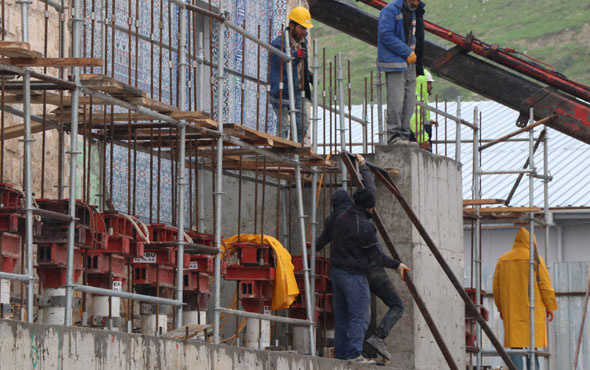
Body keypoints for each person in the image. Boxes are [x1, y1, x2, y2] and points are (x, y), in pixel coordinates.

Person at [315, 155, 407, 362]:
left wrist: (310, 248)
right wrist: (397, 265)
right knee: (361, 315)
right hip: (359, 271)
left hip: (337, 272)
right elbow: (376, 255)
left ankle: (342, 354)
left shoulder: (336, 220)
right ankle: (358, 351)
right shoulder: (362, 225)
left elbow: (321, 242)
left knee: (343, 316)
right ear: (367, 207)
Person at [492, 227, 558, 370]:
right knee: (532, 346)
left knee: (515, 347)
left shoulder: (502, 261)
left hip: (512, 312)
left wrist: (501, 308)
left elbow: (496, 289)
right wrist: (550, 306)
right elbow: (545, 285)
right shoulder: (535, 260)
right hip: (533, 312)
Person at [377, 0, 425, 144]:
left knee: (409, 101)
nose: (416, 2)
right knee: (396, 101)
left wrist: (418, 66)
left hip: (410, 62)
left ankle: (404, 135)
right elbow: (386, 35)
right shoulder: (391, 10)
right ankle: (393, 136)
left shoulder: (415, 11)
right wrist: (406, 52)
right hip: (395, 62)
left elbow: (418, 37)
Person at [269, 6, 313, 143]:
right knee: (284, 127)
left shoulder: (302, 43)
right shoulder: (278, 43)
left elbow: (301, 66)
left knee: (302, 125)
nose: (304, 32)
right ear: (292, 26)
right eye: (302, 28)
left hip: (297, 91)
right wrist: (294, 56)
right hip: (281, 91)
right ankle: (281, 155)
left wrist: (308, 75)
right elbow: (280, 65)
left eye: (306, 29)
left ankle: (295, 152)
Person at [410, 69, 438, 151]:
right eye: (429, 83)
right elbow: (414, 120)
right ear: (422, 83)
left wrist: (429, 121)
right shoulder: (417, 99)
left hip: (422, 137)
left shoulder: (422, 99)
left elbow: (420, 118)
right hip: (420, 140)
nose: (431, 86)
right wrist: (423, 139)